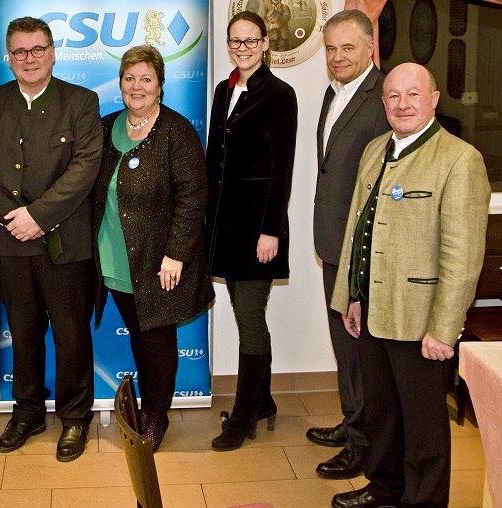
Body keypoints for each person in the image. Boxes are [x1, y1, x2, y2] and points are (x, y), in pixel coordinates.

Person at [330, 63, 490, 508]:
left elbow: (462, 256)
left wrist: (445, 327)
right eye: (393, 96)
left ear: (434, 99)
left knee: (423, 425)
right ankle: (384, 489)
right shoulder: (375, 149)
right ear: (383, 103)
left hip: (420, 318)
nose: (402, 104)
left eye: (413, 95)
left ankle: (422, 501)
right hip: (374, 309)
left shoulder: (459, 159)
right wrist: (351, 297)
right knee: (382, 414)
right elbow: (357, 231)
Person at [0, 16, 102, 463]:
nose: (29, 59)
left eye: (37, 49)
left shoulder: (81, 101)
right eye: (20, 52)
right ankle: (27, 412)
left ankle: (75, 417)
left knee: (71, 333)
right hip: (10, 242)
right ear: (8, 57)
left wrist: (38, 216)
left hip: (66, 240)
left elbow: (85, 166)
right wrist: (14, 218)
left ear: (52, 52)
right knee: (23, 332)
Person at [91, 45, 215, 452]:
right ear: (120, 84)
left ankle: (155, 417)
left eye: (146, 78)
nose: (137, 86)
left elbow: (193, 198)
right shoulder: (105, 127)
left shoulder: (176, 132)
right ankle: (147, 407)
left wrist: (176, 253)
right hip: (112, 259)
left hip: (159, 263)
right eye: (129, 78)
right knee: (139, 340)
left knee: (156, 343)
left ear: (160, 85)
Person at [206, 10, 297, 452]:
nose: (242, 48)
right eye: (235, 41)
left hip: (259, 229)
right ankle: (262, 401)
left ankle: (243, 416)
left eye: (250, 41)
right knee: (249, 316)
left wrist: (271, 231)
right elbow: (213, 163)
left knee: (248, 317)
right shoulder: (224, 92)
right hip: (226, 227)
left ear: (265, 44)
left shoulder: (281, 95)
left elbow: (282, 170)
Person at [305, 9, 390, 480]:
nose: (338, 57)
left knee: (361, 350)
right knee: (345, 344)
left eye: (348, 48)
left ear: (370, 48)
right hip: (333, 242)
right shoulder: (333, 93)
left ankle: (365, 444)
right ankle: (354, 420)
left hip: (363, 250)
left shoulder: (382, 99)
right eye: (331, 49)